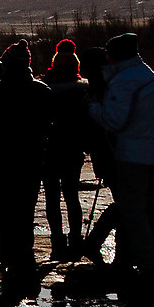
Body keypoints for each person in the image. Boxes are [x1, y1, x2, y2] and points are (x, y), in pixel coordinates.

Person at [88, 32, 154, 302]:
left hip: (132, 155)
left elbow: (115, 121)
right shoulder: (147, 73)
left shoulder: (124, 81)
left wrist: (93, 108)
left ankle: (151, 268)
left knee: (135, 216)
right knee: (150, 210)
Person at [0, 41, 51, 290]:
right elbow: (47, 126)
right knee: (25, 212)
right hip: (31, 160)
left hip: (2, 160)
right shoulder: (42, 91)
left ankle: (8, 263)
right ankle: (25, 260)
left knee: (3, 215)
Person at [40, 41, 90, 262]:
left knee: (51, 197)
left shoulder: (43, 90)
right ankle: (76, 240)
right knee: (72, 196)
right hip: (73, 148)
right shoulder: (82, 92)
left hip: (49, 148)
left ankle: (57, 241)